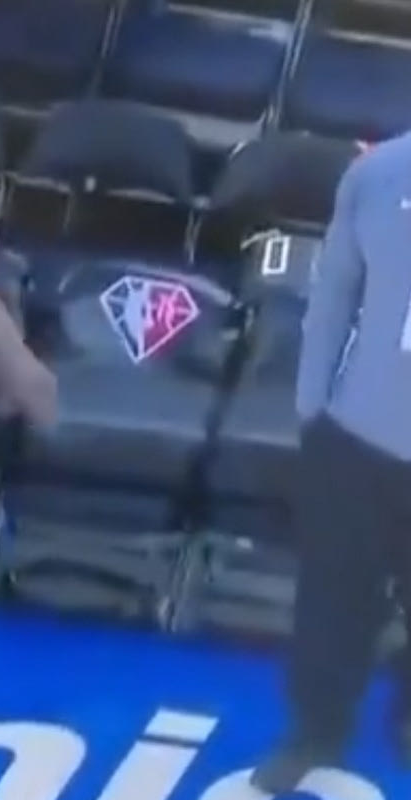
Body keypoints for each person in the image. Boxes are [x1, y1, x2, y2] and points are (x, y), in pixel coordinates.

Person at [251, 137, 411, 793]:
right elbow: (334, 296)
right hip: (357, 435)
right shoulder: (378, 174)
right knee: (332, 599)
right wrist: (312, 407)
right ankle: (314, 732)